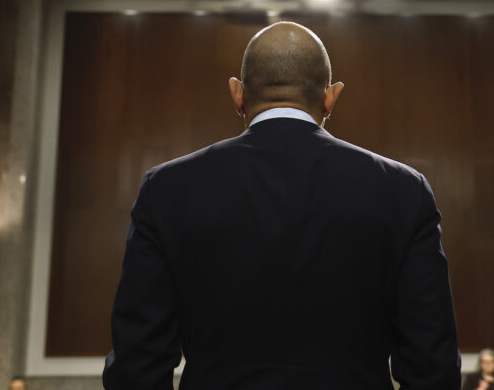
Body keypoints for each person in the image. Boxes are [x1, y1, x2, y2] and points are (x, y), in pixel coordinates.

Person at [102, 21, 461, 390]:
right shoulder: (403, 190)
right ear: (331, 96)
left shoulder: (167, 189)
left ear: (237, 94)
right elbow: (432, 366)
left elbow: (137, 366)